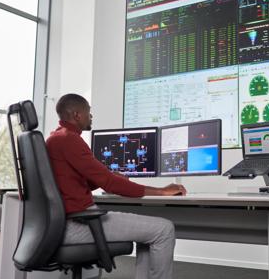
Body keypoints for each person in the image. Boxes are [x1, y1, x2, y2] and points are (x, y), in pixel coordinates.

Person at [46, 93, 186, 279]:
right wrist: (162, 191)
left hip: (64, 223)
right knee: (164, 229)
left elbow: (74, 182)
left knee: (149, 231)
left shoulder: (56, 138)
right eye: (89, 112)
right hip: (78, 225)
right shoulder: (69, 139)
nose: (91, 116)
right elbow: (110, 183)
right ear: (77, 115)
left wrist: (107, 177)